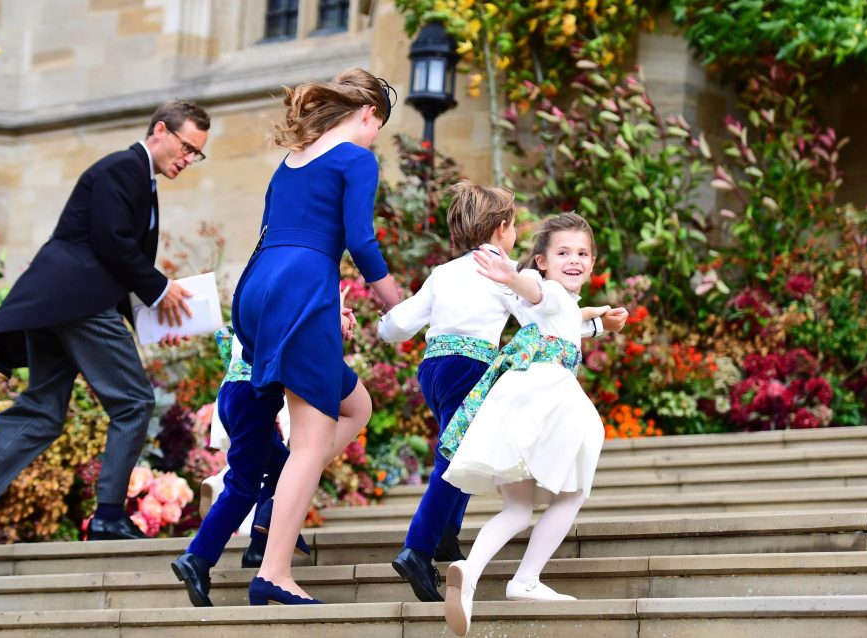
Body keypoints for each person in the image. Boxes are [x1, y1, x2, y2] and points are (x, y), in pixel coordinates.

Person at [0, 100, 210, 578]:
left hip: (58, 303)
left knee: (41, 410)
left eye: (197, 154)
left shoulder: (138, 178)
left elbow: (110, 252)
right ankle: (108, 517)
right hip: (78, 301)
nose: (188, 158)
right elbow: (110, 241)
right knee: (134, 402)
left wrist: (149, 317)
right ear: (160, 130)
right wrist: (160, 289)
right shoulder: (124, 166)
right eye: (187, 147)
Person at [377, 182, 627, 602]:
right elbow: (543, 317)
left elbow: (399, 325)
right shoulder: (501, 269)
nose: (516, 237)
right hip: (472, 367)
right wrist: (595, 323)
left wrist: (383, 326)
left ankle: (444, 536)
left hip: (433, 367)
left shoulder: (444, 272)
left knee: (458, 443)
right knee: (454, 454)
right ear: (501, 227)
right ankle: (418, 549)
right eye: (513, 226)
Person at [230, 68, 400, 606]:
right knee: (309, 442)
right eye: (379, 127)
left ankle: (277, 506)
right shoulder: (356, 157)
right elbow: (360, 240)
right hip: (302, 288)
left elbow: (278, 235)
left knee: (356, 407)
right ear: (369, 114)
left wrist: (326, 310)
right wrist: (398, 302)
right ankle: (274, 571)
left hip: (258, 290)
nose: (375, 137)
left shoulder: (290, 163)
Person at [439, 213, 618, 636]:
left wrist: (599, 322)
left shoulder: (560, 305)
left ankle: (470, 570)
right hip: (550, 398)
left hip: (516, 399)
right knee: (572, 492)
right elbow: (542, 296)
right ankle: (526, 579)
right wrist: (511, 275)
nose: (574, 260)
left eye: (582, 253)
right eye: (563, 253)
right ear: (541, 260)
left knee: (517, 508)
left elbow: (566, 319)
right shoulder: (548, 291)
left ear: (592, 262)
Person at [170, 292, 356, 607]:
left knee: (286, 466)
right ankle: (197, 558)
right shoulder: (292, 289)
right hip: (252, 397)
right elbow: (296, 339)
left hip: (236, 392)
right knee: (243, 486)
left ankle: (260, 544)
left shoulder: (265, 285)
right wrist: (330, 318)